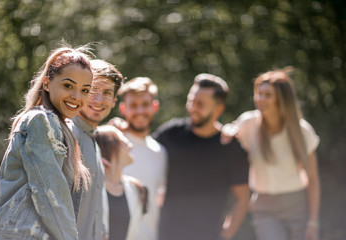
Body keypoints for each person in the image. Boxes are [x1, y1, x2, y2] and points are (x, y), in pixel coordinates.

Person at [0, 45, 93, 239]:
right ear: (46, 83)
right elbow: (50, 194)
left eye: (85, 90)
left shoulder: (55, 125)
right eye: (68, 85)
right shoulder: (41, 122)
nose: (77, 97)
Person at [222, 68, 320, 240]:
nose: (260, 99)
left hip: (296, 205)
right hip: (264, 208)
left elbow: (313, 179)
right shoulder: (248, 123)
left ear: (282, 100)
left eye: (267, 95)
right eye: (258, 94)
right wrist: (227, 131)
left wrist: (313, 222)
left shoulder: (302, 131)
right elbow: (227, 139)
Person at [152, 73, 250, 240]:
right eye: (191, 101)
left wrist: (225, 235)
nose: (192, 107)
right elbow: (141, 151)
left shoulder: (230, 148)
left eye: (200, 104)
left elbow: (243, 199)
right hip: (165, 235)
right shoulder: (170, 133)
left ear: (218, 109)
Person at [67, 59, 124, 240]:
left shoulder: (93, 140)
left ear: (114, 101)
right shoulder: (65, 134)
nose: (99, 100)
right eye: (92, 90)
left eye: (107, 93)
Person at [117, 77, 168, 240]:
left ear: (155, 107)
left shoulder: (160, 152)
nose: (140, 111)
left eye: (145, 104)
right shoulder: (112, 143)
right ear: (123, 109)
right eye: (133, 105)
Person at [94, 125, 148, 240]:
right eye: (123, 138)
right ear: (109, 145)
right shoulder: (89, 188)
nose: (130, 145)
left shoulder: (138, 189)